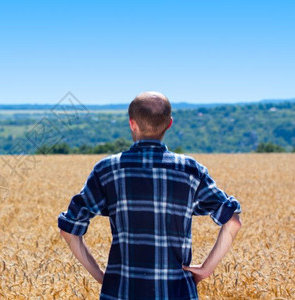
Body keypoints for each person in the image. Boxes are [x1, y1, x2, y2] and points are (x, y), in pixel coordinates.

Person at [58, 91, 242, 299]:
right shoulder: (191, 170)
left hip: (121, 292)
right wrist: (207, 269)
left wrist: (101, 275)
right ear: (169, 124)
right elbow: (233, 222)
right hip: (177, 292)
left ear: (132, 123)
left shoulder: (107, 170)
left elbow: (69, 230)